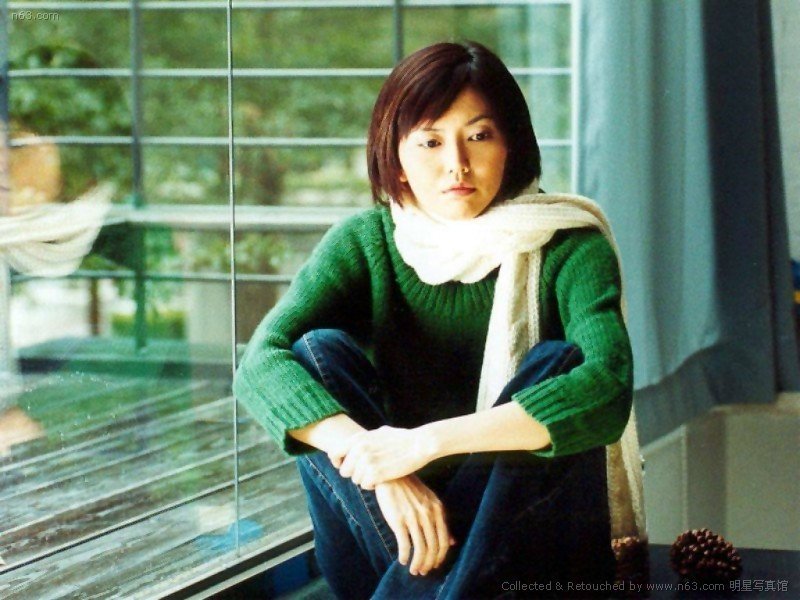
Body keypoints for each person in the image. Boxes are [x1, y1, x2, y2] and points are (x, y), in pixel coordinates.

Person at [234, 41, 636, 599]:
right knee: (316, 353)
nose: (456, 164)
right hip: (389, 538)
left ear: (512, 144)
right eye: (430, 141)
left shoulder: (569, 245)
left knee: (559, 363)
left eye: (479, 136)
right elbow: (259, 363)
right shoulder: (366, 242)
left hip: (527, 554)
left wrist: (423, 444)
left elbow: (607, 387)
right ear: (395, 154)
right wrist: (388, 470)